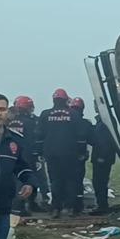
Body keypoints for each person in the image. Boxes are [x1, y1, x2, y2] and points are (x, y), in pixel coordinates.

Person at [0, 93, 35, 239]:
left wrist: (28, 182)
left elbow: (22, 166)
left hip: (3, 207)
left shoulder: (14, 140)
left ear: (7, 112)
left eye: (2, 109)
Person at [37, 89, 82, 218]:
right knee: (70, 180)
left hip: (51, 153)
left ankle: (56, 208)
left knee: (55, 180)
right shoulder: (73, 114)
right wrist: (81, 152)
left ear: (54, 100)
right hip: (70, 153)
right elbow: (80, 136)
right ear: (65, 100)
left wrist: (39, 152)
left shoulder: (45, 114)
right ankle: (69, 207)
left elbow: (39, 135)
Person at [8, 96, 45, 214]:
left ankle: (20, 205)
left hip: (12, 153)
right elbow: (34, 139)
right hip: (27, 154)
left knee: (16, 179)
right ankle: (24, 206)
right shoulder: (30, 122)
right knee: (30, 178)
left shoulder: (10, 122)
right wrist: (37, 153)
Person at [88, 114, 117, 215]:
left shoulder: (104, 124)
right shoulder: (104, 122)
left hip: (102, 158)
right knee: (100, 182)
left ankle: (102, 206)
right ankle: (102, 204)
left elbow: (104, 141)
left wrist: (102, 156)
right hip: (104, 157)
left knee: (99, 182)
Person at [69, 98, 92, 215]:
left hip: (68, 158)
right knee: (77, 182)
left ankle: (68, 204)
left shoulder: (66, 123)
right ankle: (77, 205)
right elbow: (92, 140)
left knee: (67, 180)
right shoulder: (85, 124)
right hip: (79, 158)